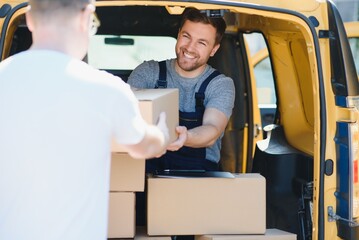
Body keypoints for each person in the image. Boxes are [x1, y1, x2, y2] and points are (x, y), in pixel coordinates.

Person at [0, 0, 169, 240]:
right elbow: (144, 145)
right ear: (85, 17)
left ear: (29, 19)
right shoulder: (105, 89)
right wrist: (163, 132)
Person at [128, 7, 235, 172]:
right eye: (186, 36)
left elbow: (212, 129)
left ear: (214, 49)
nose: (190, 48)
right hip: (147, 164)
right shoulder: (148, 72)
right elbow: (126, 110)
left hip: (198, 172)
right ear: (178, 35)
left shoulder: (220, 84)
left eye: (201, 42)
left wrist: (185, 137)